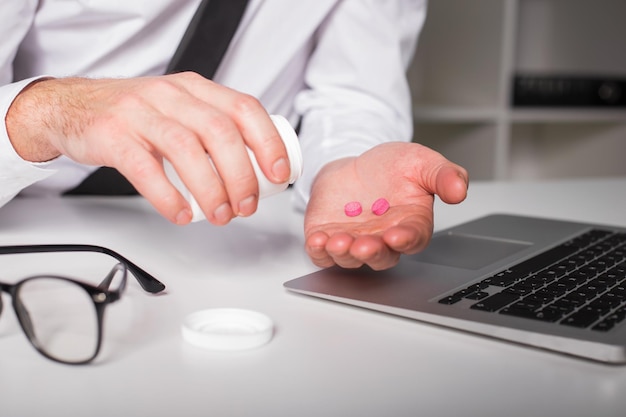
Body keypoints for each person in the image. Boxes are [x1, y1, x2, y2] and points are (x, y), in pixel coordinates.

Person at [0, 0, 468, 271]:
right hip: (33, 226)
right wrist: (48, 113)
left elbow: (354, 94)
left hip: (243, 239)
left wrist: (344, 161)